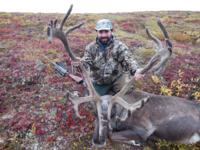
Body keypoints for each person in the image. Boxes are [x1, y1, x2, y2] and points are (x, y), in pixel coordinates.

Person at [81, 19, 143, 96]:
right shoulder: (90, 48)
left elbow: (128, 59)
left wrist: (136, 70)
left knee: (128, 92)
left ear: (111, 31)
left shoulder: (119, 46)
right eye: (101, 32)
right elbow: (86, 61)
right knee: (93, 100)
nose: (103, 35)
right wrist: (79, 63)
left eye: (106, 32)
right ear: (97, 32)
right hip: (99, 81)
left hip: (117, 78)